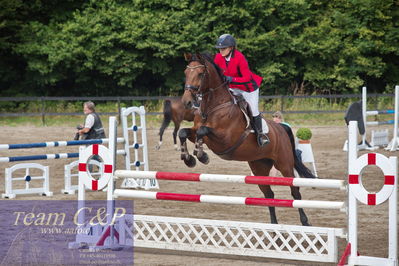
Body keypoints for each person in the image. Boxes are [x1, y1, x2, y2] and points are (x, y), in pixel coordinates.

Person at [214, 34, 269, 147]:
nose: (221, 51)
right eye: (220, 49)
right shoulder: (218, 57)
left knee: (253, 110)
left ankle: (261, 135)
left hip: (247, 88)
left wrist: (232, 79)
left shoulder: (239, 57)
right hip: (232, 87)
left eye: (223, 48)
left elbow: (247, 78)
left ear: (231, 48)